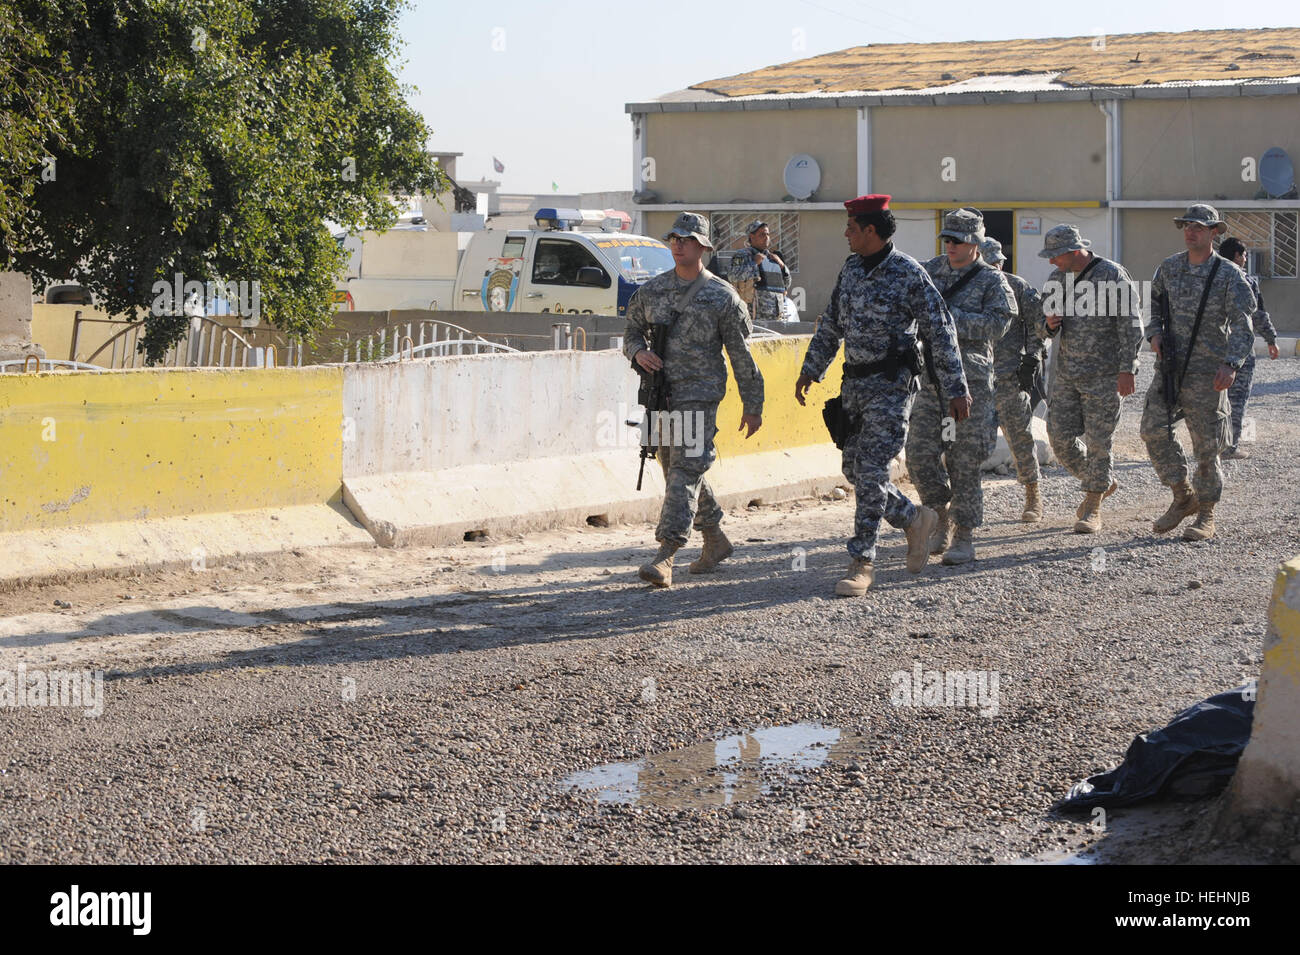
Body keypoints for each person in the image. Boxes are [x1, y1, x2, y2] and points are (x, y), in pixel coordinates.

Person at [795, 195, 970, 596]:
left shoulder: (908, 273)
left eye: (852, 228)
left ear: (871, 230)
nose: (846, 234)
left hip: (892, 387)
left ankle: (863, 562)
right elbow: (832, 323)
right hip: (853, 386)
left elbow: (940, 331)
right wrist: (811, 368)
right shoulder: (852, 269)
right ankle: (913, 518)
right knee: (855, 471)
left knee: (872, 469)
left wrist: (957, 388)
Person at [623, 212, 764, 587]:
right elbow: (631, 331)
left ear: (703, 246)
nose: (677, 244)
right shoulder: (651, 291)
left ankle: (666, 554)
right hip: (662, 395)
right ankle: (715, 538)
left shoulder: (722, 297)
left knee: (685, 469)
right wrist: (638, 353)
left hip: (700, 396)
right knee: (676, 469)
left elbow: (741, 356)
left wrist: (753, 405)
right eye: (673, 238)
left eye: (685, 239)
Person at [1141, 204, 1255, 541]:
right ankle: (1182, 494)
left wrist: (1231, 363)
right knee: (1152, 429)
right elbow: (1154, 304)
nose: (1191, 232)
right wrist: (1155, 332)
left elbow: (1243, 325)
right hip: (1171, 367)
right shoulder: (1169, 268)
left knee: (1206, 445)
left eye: (1199, 227)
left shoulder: (1228, 274)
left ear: (1214, 233)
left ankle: (1206, 513)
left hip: (1209, 371)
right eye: (1186, 226)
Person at [908, 208, 1015, 565]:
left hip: (970, 383)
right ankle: (937, 516)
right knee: (920, 455)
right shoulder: (929, 271)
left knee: (963, 460)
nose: (951, 246)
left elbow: (997, 326)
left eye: (959, 241)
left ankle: (964, 534)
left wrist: (949, 320)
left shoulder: (991, 281)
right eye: (947, 239)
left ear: (976, 243)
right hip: (930, 381)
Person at [1035, 224, 1144, 533]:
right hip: (1067, 373)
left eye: (1055, 257)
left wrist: (1128, 369)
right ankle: (1100, 481)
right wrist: (1048, 324)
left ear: (1073, 251)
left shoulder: (1112, 274)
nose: (1051, 263)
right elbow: (1040, 328)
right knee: (1059, 437)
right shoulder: (1057, 279)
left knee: (1098, 442)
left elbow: (1131, 326)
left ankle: (1092, 507)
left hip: (1105, 375)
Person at [980, 237, 1047, 522]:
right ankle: (963, 506)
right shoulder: (966, 289)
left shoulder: (1017, 287)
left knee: (1020, 438)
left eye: (998, 261)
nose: (995, 266)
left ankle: (1033, 496)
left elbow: (1039, 326)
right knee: (967, 444)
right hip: (976, 378)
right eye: (988, 261)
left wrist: (1032, 358)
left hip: (1009, 376)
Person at [1217, 236, 1281, 459]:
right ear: (1237, 256)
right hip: (1240, 349)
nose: (1245, 259)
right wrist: (1271, 340)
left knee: (1212, 399)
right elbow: (1259, 315)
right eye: (1244, 254)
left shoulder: (1210, 277)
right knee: (1237, 398)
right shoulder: (1246, 281)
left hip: (1212, 347)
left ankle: (1209, 444)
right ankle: (1228, 447)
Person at [727, 220, 791, 324]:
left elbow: (787, 284)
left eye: (767, 234)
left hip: (775, 317)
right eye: (762, 234)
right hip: (753, 317)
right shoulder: (743, 255)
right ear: (751, 237)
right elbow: (732, 276)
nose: (766, 237)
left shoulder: (773, 258)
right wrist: (754, 263)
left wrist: (782, 267)